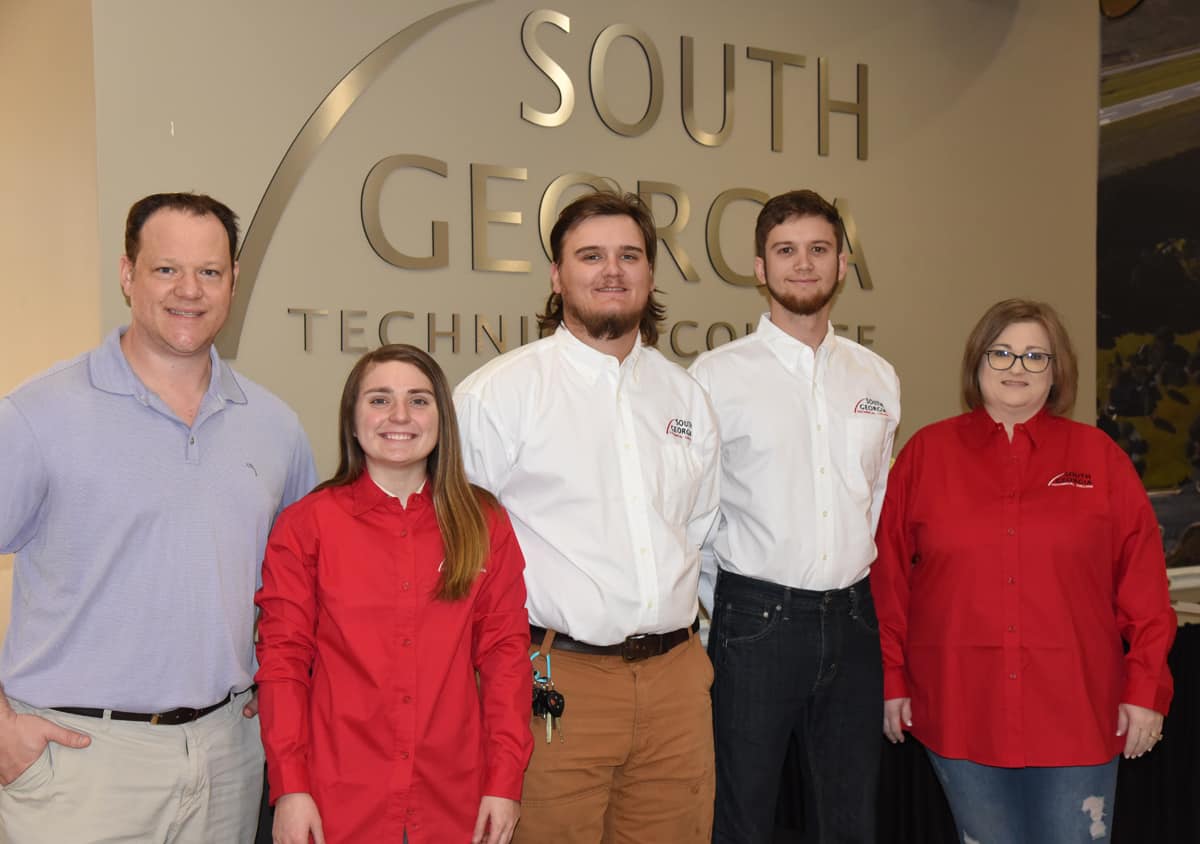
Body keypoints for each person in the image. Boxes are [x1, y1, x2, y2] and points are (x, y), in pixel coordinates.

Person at [0, 192, 317, 842]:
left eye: (209, 272)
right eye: (166, 269)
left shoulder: (275, 426)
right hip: (78, 762)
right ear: (127, 274)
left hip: (229, 755)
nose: (189, 291)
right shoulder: (38, 415)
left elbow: (301, 587)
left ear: (233, 282)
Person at [454, 189, 721, 843]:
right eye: (591, 255)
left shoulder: (685, 395)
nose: (612, 270)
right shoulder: (500, 396)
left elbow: (700, 534)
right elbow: (459, 557)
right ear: (556, 276)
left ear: (651, 275)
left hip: (676, 686)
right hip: (554, 683)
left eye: (630, 255)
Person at [871, 298, 1176, 844]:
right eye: (1003, 352)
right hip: (961, 707)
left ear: (1057, 371)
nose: (1017, 367)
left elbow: (1145, 588)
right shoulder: (926, 455)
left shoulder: (1100, 458)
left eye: (1036, 356)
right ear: (977, 362)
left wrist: (1146, 690)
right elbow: (889, 580)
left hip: (1079, 713)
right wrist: (892, 678)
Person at [256, 344, 533, 844]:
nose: (400, 416)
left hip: (456, 799)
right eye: (380, 400)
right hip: (336, 798)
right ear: (353, 417)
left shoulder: (483, 523)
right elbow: (283, 663)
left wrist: (505, 781)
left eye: (419, 401)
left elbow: (505, 658)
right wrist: (290, 788)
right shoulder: (306, 526)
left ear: (442, 418)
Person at [689, 189, 900, 843]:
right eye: (785, 251)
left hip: (855, 621)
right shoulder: (713, 379)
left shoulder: (876, 377)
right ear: (759, 267)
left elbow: (878, 498)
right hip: (755, 624)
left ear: (842, 264)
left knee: (850, 820)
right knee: (743, 818)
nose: (802, 264)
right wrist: (716, 620)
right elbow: (694, 518)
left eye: (818, 250)